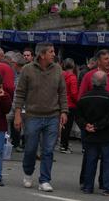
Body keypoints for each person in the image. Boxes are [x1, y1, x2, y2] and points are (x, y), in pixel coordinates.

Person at [14, 43, 68, 192]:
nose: (54, 54)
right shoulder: (27, 69)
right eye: (51, 52)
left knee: (48, 150)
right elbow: (20, 93)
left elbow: (62, 92)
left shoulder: (57, 69)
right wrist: (17, 114)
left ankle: (45, 180)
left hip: (52, 115)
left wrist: (64, 111)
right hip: (33, 115)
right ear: (42, 55)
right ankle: (28, 172)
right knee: (30, 149)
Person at [75, 71, 109, 195]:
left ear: (92, 82)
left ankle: (87, 186)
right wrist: (98, 126)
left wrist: (86, 125)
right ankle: (108, 187)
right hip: (107, 134)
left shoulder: (84, 97)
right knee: (108, 162)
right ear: (106, 82)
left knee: (90, 161)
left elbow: (78, 116)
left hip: (90, 134)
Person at [59, 58, 79, 154]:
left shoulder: (60, 75)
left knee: (62, 125)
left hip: (60, 102)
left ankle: (61, 143)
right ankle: (64, 145)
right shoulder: (73, 77)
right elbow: (74, 93)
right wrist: (78, 102)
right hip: (70, 104)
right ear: (73, 65)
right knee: (67, 126)